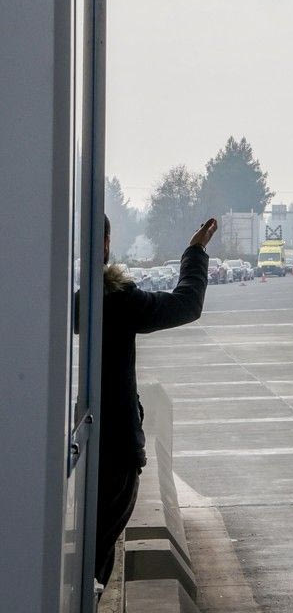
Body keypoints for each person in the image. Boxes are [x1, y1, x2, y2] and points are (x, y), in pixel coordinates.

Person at [96, 214, 214, 587]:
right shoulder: (113, 299)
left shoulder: (51, 295)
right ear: (104, 243)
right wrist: (194, 253)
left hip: (89, 446)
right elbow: (185, 305)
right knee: (97, 553)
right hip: (113, 447)